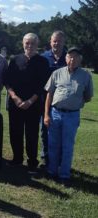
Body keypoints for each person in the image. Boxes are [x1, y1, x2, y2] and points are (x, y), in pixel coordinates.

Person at [44, 47, 93, 186]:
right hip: (55, 114)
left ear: (80, 59)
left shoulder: (86, 76)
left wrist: (76, 101)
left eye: (76, 57)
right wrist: (46, 115)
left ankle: (64, 175)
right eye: (70, 56)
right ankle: (52, 172)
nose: (72, 59)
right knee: (53, 145)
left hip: (72, 116)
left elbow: (88, 96)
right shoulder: (56, 73)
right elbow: (49, 95)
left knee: (67, 146)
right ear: (66, 58)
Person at [4, 33, 49, 173]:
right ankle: (17, 159)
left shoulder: (42, 62)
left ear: (37, 45)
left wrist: (30, 101)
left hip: (33, 105)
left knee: (31, 134)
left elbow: (42, 85)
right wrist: (15, 98)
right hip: (15, 103)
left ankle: (32, 162)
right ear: (23, 43)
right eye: (27, 43)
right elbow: (7, 81)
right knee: (15, 132)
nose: (29, 46)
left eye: (33, 43)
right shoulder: (14, 59)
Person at [40, 30, 67, 166]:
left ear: (64, 42)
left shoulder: (68, 58)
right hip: (45, 100)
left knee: (61, 132)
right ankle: (46, 157)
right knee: (44, 130)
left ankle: (59, 159)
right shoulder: (43, 57)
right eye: (54, 41)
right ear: (50, 42)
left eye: (59, 41)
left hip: (62, 101)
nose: (56, 43)